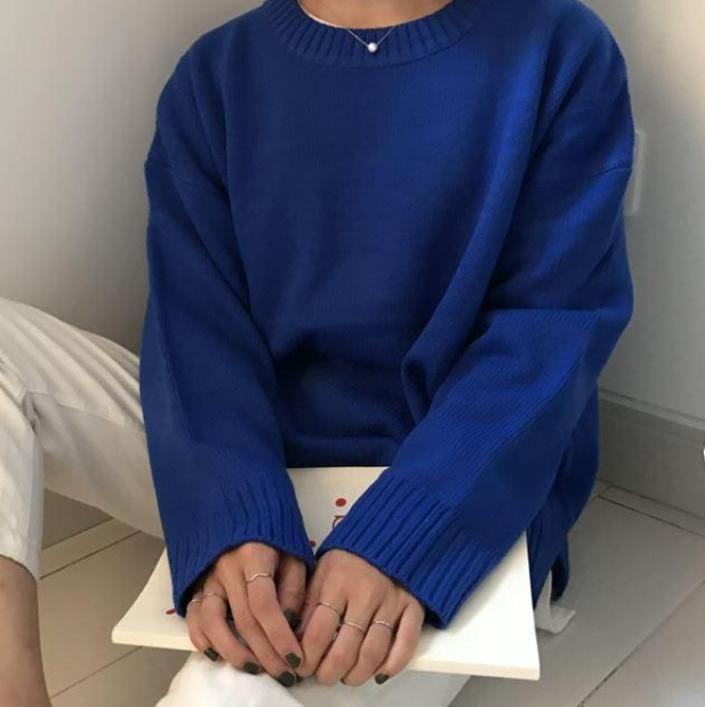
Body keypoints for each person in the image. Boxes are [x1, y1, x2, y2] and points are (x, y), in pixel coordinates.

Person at [0, 0, 636, 704]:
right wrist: (230, 514)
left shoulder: (560, 51)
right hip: (256, 455)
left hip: (456, 489)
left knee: (231, 693)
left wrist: (408, 536)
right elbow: (197, 327)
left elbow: (549, 337)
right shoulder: (216, 75)